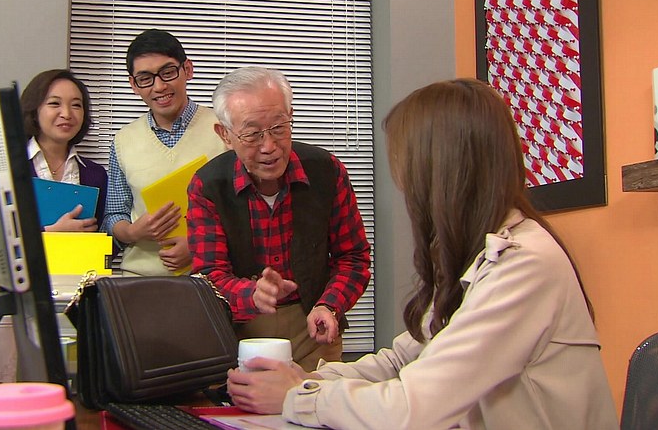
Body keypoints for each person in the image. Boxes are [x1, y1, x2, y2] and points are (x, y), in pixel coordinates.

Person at [224, 78, 620, 429]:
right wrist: (307, 381)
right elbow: (403, 360)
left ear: (443, 173)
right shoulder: (479, 257)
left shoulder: (524, 265)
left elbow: (415, 409)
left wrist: (298, 398)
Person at [187, 66, 372, 372]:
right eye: (252, 134)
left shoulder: (327, 171)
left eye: (278, 127)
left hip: (313, 328)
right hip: (239, 333)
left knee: (319, 399)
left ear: (291, 117)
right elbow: (209, 276)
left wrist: (330, 305)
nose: (269, 146)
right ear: (225, 135)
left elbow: (353, 257)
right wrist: (253, 294)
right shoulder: (208, 186)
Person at [101, 29, 226, 276]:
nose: (159, 86)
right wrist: (132, 232)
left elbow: (244, 210)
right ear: (134, 85)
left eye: (168, 72)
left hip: (211, 278)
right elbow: (115, 214)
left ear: (187, 70)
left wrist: (198, 244)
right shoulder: (123, 141)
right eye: (145, 78)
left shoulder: (223, 130)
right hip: (139, 279)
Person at [0, 69, 107, 254]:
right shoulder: (6, 167)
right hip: (27, 273)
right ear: (34, 111)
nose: (67, 113)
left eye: (76, 105)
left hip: (81, 271)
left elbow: (106, 240)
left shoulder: (96, 174)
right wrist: (49, 233)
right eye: (54, 103)